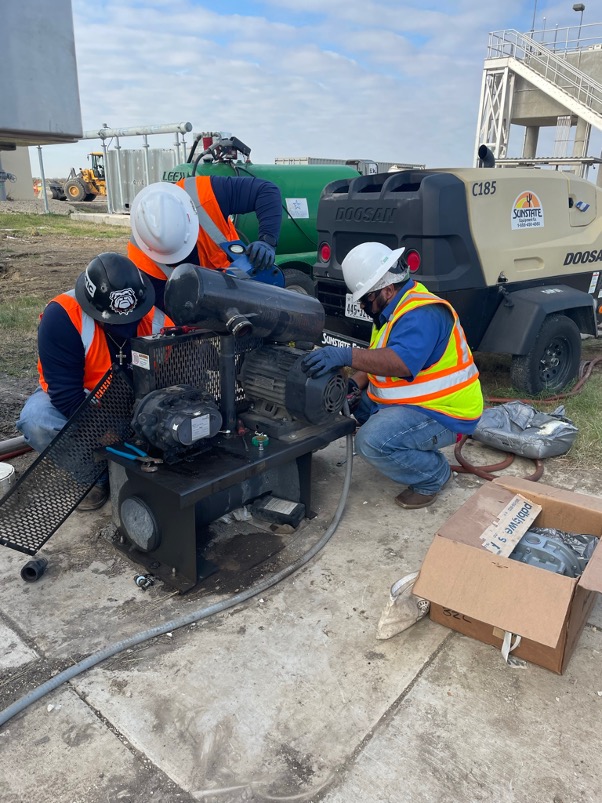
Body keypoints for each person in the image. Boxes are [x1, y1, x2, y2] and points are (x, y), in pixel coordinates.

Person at [301, 242, 483, 510]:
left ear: (387, 288)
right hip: (409, 402)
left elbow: (400, 363)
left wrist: (346, 355)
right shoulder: (392, 310)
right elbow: (379, 358)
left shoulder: (422, 314)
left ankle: (434, 474)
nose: (363, 306)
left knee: (372, 442)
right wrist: (353, 384)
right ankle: (395, 437)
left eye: (365, 299)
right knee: (343, 403)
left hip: (444, 412)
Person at [16, 253, 172, 511]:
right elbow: (66, 395)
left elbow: (174, 383)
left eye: (131, 319)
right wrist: (104, 435)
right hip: (84, 399)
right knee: (37, 421)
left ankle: (132, 462)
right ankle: (94, 476)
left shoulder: (158, 322)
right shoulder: (63, 317)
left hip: (137, 405)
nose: (126, 326)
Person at [127, 176, 282, 310]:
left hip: (240, 281)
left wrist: (267, 240)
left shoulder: (204, 193)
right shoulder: (140, 258)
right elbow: (165, 309)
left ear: (190, 218)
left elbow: (267, 191)